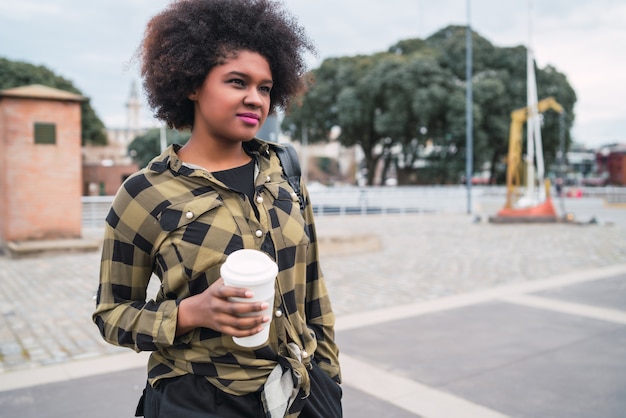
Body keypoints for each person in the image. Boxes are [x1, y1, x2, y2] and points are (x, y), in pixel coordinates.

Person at [92, 1, 342, 417]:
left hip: (301, 396)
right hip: (200, 400)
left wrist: (330, 384)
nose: (254, 99)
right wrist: (190, 313)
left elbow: (314, 292)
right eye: (236, 81)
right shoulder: (144, 194)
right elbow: (111, 314)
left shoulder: (286, 173)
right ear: (191, 84)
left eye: (264, 87)